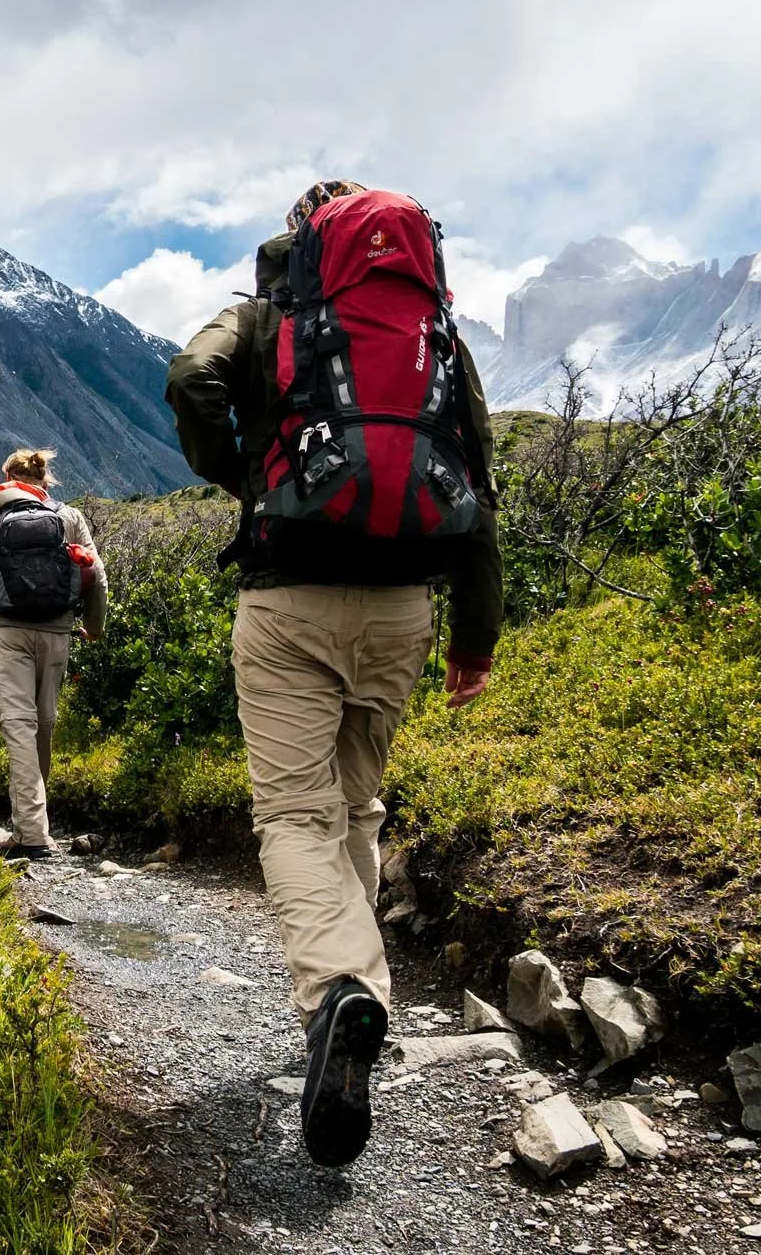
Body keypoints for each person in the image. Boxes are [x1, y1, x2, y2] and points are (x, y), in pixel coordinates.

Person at [165, 180, 503, 1168]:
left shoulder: (269, 316)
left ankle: (340, 995)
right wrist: (474, 638)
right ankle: (353, 1000)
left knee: (293, 817)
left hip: (289, 598)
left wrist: (242, 473)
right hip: (403, 607)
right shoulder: (433, 335)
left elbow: (192, 378)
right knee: (357, 807)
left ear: (304, 240)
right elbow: (477, 482)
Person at [0, 447, 108, 861]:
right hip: (57, 635)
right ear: (45, 479)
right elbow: (98, 577)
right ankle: (34, 824)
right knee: (43, 726)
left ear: (6, 477)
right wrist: (94, 626)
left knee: (18, 727)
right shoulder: (69, 518)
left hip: (7, 636)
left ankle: (32, 834)